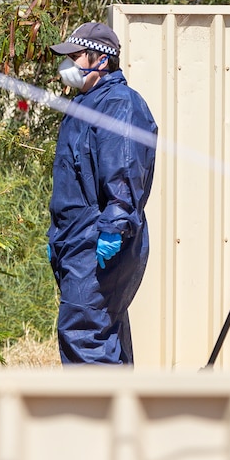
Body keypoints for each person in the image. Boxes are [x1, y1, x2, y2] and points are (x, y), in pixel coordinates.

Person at [47, 22, 158, 364]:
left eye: (75, 56)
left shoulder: (119, 104)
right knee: (102, 334)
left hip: (98, 242)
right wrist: (58, 238)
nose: (67, 66)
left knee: (85, 337)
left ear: (101, 60)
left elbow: (123, 173)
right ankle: (117, 415)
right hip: (77, 240)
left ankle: (93, 416)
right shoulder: (89, 103)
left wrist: (113, 230)